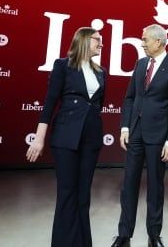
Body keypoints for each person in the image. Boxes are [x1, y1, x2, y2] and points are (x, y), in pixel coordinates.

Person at [26, 27, 106, 247]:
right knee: (67, 192)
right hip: (66, 136)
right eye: (97, 40)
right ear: (83, 40)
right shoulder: (63, 66)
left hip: (91, 138)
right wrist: (39, 138)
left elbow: (99, 105)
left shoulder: (101, 71)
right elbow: (50, 102)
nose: (101, 44)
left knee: (83, 194)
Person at [111, 24, 168, 247]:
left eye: (144, 40)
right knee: (128, 184)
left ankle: (154, 235)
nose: (141, 43)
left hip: (159, 136)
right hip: (135, 134)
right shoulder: (141, 63)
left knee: (155, 185)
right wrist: (125, 127)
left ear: (159, 42)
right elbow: (130, 97)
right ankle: (124, 235)